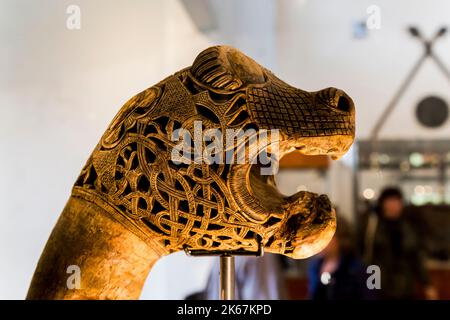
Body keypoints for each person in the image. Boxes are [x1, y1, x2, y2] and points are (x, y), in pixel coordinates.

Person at [360, 187, 438, 299]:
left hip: (405, 286)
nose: (393, 205)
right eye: (389, 201)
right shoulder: (371, 226)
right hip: (377, 284)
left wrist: (427, 284)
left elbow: (416, 258)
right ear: (382, 204)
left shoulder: (409, 226)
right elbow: (364, 255)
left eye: (396, 201)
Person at [308, 216, 374, 300]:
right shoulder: (315, 266)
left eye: (325, 236)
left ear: (340, 239)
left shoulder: (356, 269)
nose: (318, 241)